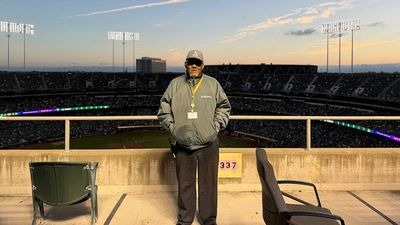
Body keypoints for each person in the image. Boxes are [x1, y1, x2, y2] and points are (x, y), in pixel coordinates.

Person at [157, 50, 231, 225]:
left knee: (209, 186)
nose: (194, 66)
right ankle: (185, 220)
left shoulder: (212, 84)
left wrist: (217, 125)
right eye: (191, 62)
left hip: (209, 144)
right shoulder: (175, 84)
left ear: (203, 66)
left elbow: (224, 106)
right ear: (185, 64)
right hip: (183, 144)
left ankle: (209, 219)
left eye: (197, 63)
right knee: (185, 185)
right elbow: (163, 107)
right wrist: (172, 127)